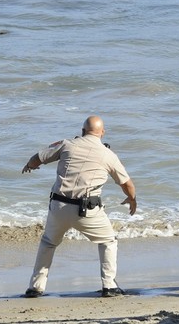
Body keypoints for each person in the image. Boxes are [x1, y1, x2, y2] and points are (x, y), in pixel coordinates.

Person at [22, 116, 137, 298]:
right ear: (102, 133)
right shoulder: (108, 155)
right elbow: (127, 184)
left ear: (82, 131)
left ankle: (35, 287)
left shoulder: (67, 144)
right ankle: (109, 285)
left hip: (58, 205)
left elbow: (38, 158)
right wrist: (132, 199)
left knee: (49, 243)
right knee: (108, 241)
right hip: (87, 210)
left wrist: (30, 165)